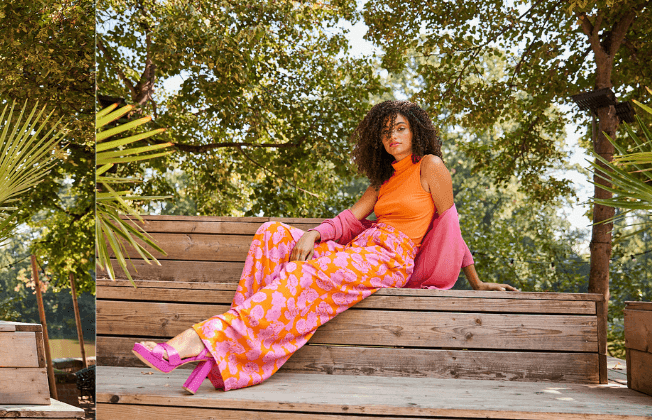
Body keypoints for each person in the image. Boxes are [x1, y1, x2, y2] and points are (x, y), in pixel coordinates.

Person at [132, 100, 517, 394]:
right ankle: (230, 353)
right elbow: (350, 221)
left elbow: (450, 226)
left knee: (306, 272)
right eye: (385, 133)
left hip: (391, 258)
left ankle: (195, 342)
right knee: (273, 235)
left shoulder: (430, 166)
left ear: (416, 131)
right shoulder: (382, 182)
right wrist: (313, 234)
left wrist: (477, 283)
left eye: (399, 128)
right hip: (363, 250)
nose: (392, 137)